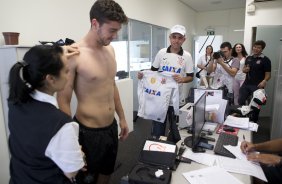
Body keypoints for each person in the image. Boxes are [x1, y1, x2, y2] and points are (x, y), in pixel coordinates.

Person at [57, 0, 129, 183]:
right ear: (95, 23)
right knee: (86, 180)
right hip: (87, 132)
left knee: (107, 173)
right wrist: (71, 140)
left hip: (110, 127)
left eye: (117, 30)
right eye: (112, 30)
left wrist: (122, 117)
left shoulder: (110, 51)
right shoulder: (75, 55)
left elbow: (111, 85)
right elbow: (63, 100)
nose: (115, 35)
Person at [8, 45, 85, 184]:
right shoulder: (61, 125)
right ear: (50, 79)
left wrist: (59, 53)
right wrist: (78, 154)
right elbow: (71, 171)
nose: (69, 76)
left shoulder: (14, 101)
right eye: (66, 71)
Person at [138, 24, 194, 140]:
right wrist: (143, 74)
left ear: (184, 39)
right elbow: (153, 71)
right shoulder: (162, 53)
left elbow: (191, 77)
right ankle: (157, 148)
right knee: (158, 128)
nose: (176, 40)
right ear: (170, 38)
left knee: (175, 129)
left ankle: (174, 151)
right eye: (174, 37)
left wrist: (182, 79)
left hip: (177, 98)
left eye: (180, 38)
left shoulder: (187, 56)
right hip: (160, 97)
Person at [238, 40, 271, 122]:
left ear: (262, 49)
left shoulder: (265, 60)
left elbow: (268, 74)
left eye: (259, 47)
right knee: (240, 101)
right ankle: (243, 119)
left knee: (256, 105)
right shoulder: (249, 58)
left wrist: (264, 81)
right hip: (246, 84)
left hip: (258, 85)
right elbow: (244, 70)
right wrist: (245, 70)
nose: (256, 49)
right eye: (255, 47)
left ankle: (253, 122)